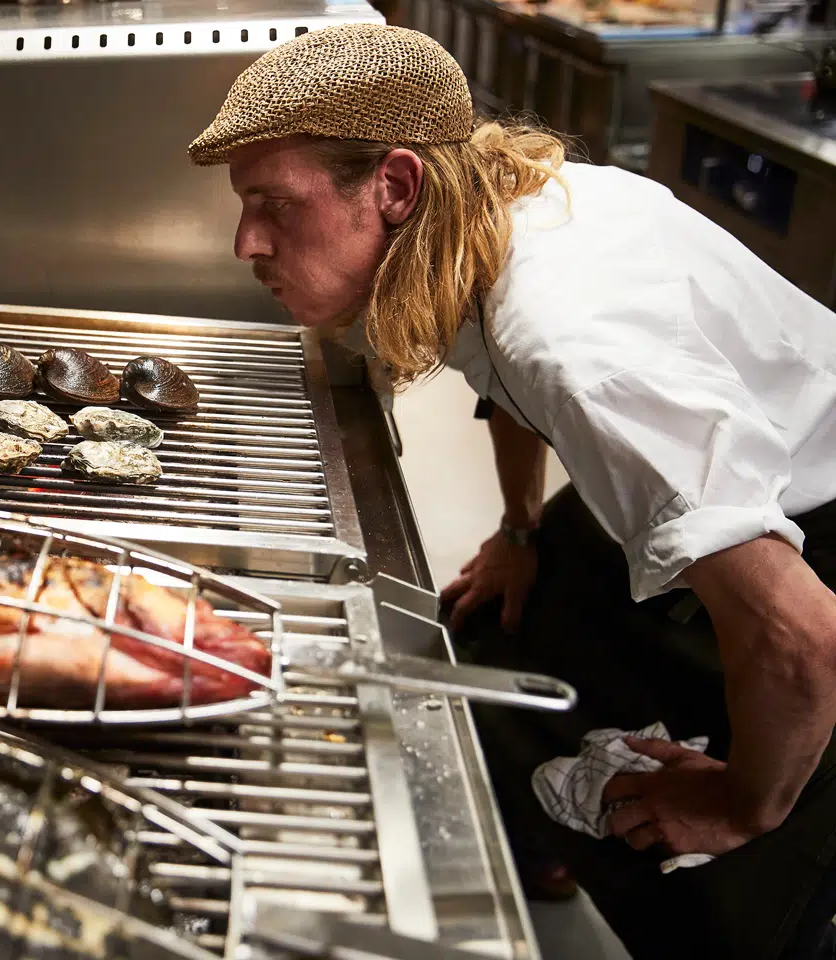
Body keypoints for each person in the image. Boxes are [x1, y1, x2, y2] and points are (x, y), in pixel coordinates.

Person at [188, 22, 836, 960]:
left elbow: (803, 633)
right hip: (735, 476)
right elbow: (509, 380)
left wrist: (739, 805)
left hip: (806, 539)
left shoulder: (575, 342)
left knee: (735, 895)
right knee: (494, 638)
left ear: (396, 185)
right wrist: (520, 530)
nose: (246, 242)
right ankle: (546, 845)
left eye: (274, 205)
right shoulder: (490, 209)